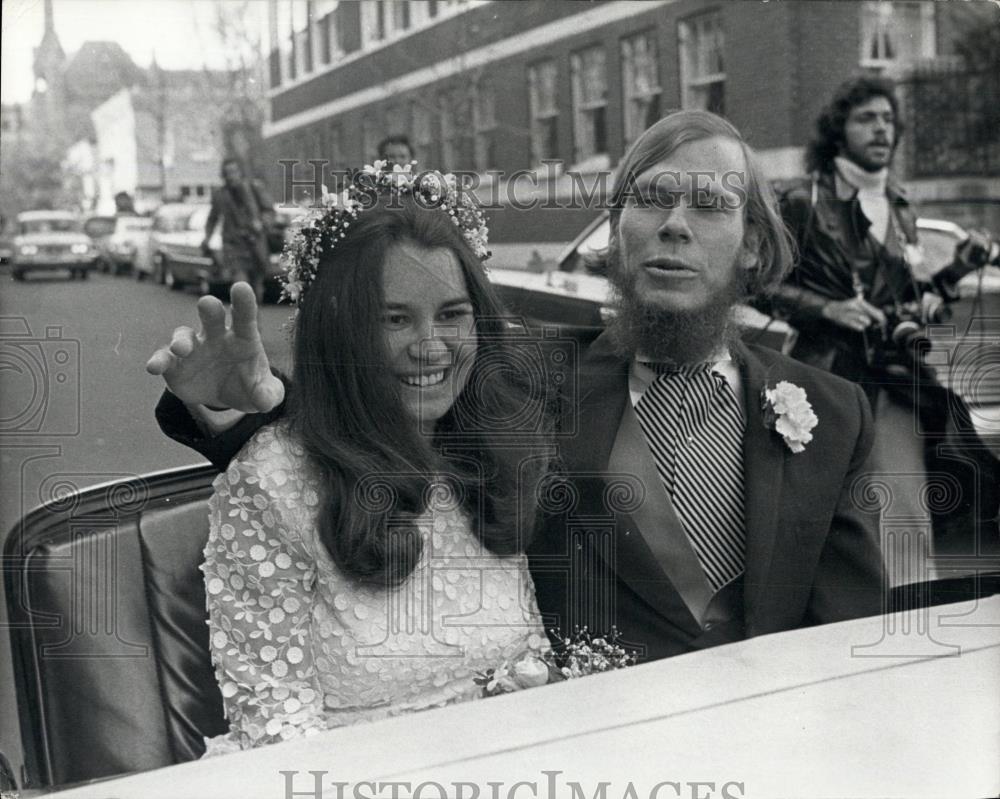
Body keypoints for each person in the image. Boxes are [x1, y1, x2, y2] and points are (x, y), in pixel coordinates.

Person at [149, 112, 884, 674]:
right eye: (652, 200)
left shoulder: (837, 415)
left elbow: (852, 643)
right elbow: (366, 420)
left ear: (754, 243)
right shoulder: (517, 383)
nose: (675, 226)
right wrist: (252, 401)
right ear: (616, 230)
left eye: (710, 206)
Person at [150, 168, 550, 751]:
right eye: (394, 319)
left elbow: (528, 657)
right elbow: (276, 724)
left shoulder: (491, 449)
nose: (432, 346)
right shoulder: (272, 481)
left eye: (452, 314)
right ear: (342, 331)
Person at [764, 76, 997, 586]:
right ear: (838, 130)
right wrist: (829, 310)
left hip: (892, 380)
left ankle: (907, 621)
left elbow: (909, 301)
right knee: (822, 516)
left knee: (905, 510)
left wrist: (957, 270)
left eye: (888, 119)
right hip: (822, 378)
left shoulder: (900, 204)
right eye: (866, 118)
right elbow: (757, 284)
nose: (881, 129)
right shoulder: (801, 200)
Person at [204, 157, 275, 304]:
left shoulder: (254, 188)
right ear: (223, 175)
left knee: (256, 290)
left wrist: (262, 223)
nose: (231, 176)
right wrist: (207, 237)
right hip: (234, 247)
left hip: (255, 245)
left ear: (241, 172)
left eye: (234, 171)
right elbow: (212, 218)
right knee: (241, 288)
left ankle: (253, 325)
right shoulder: (220, 194)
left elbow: (269, 210)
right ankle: (246, 324)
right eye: (227, 173)